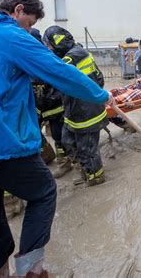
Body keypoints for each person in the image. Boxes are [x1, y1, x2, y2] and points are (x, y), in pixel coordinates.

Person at [0, 0, 113, 277]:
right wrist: (100, 94)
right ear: (17, 10)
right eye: (29, 23)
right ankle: (31, 270)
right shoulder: (8, 35)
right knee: (43, 191)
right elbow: (59, 72)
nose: (30, 30)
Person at [43, 26, 109, 186]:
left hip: (87, 113)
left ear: (56, 45)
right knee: (67, 141)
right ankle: (85, 169)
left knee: (87, 149)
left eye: (49, 46)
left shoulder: (69, 60)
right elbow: (99, 79)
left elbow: (60, 85)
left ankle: (96, 178)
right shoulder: (77, 51)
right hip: (74, 111)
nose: (48, 49)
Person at [30, 28, 68, 175]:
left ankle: (64, 162)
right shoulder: (24, 54)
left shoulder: (48, 55)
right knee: (36, 136)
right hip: (37, 106)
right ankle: (45, 159)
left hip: (54, 104)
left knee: (58, 135)